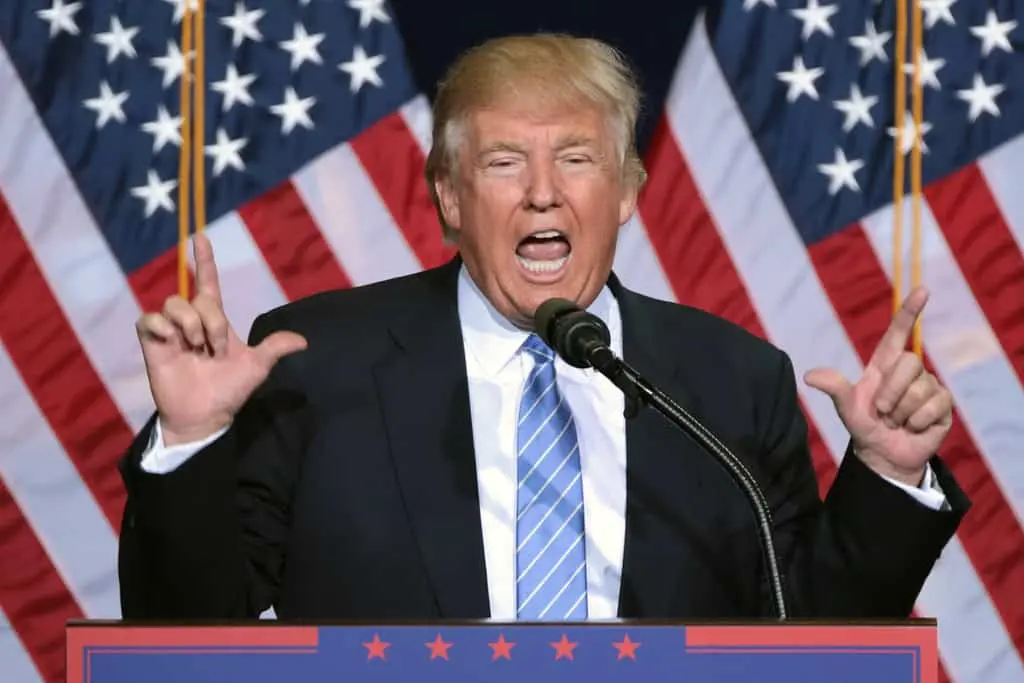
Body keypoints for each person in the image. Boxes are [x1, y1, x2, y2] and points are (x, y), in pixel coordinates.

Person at [118, 33, 968, 622]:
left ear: (628, 189)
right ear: (450, 198)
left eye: (576, 157)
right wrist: (192, 438)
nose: (542, 193)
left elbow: (809, 638)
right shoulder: (317, 363)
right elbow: (187, 627)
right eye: (502, 162)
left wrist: (888, 475)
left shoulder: (732, 377)